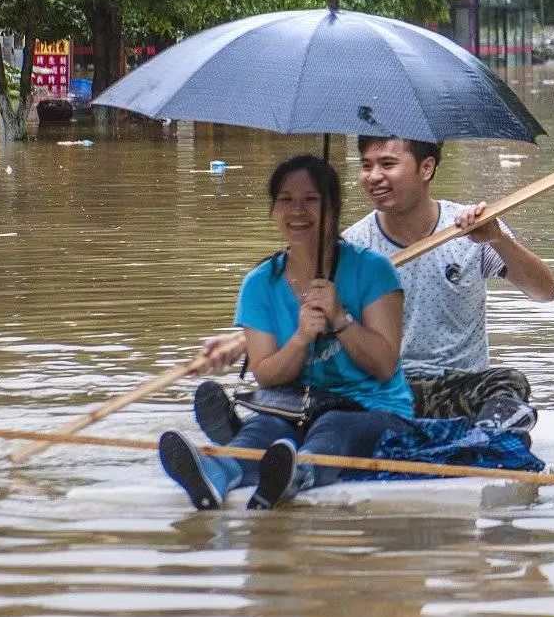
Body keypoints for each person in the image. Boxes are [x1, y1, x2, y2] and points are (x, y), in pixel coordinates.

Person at [158, 154, 413, 511]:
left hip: (372, 408)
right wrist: (300, 339)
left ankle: (296, 474)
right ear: (273, 210)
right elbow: (266, 374)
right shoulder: (260, 283)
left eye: (311, 200)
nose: (298, 211)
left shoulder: (374, 270)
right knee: (261, 431)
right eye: (285, 200)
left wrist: (340, 319)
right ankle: (217, 472)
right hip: (294, 407)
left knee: (334, 428)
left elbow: (385, 366)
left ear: (333, 208)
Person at [338, 134, 554, 433]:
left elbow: (545, 292)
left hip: (458, 387)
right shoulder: (351, 247)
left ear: (426, 168)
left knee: (509, 382)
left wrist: (498, 240)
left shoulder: (471, 229)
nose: (374, 177)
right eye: (366, 166)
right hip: (388, 391)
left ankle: (484, 438)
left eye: (387, 164)